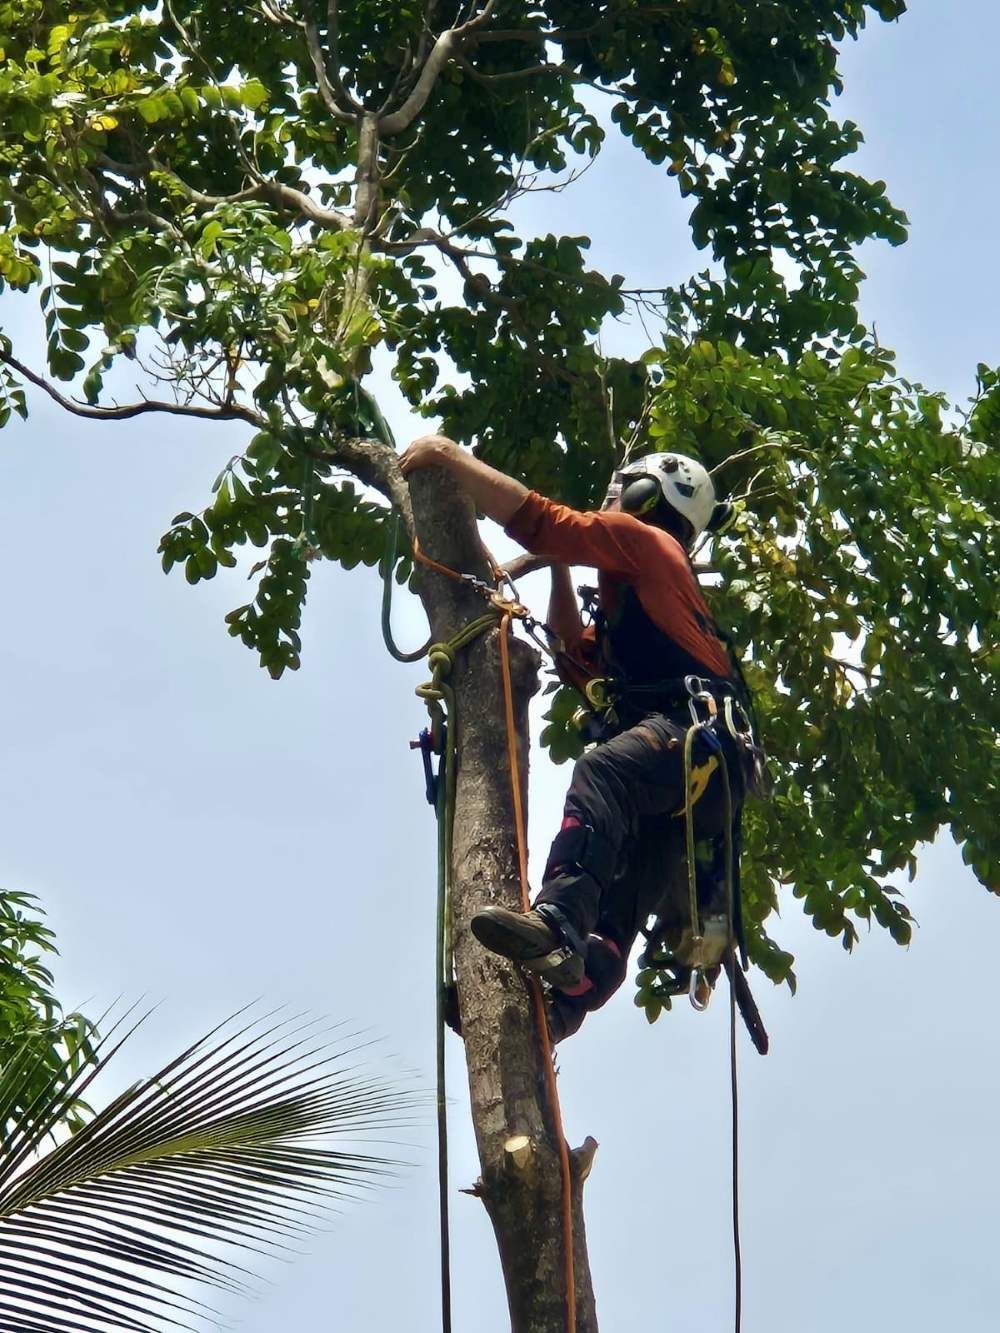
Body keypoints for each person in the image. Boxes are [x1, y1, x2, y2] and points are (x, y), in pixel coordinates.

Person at [400, 435, 762, 1040]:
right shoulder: (640, 591)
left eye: (623, 491)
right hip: (700, 777)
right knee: (625, 867)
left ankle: (560, 923)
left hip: (688, 734)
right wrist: (563, 566)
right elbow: (575, 653)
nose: (612, 500)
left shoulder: (647, 544)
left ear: (652, 496)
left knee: (603, 772)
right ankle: (572, 993)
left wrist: (451, 460)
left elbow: (541, 521)